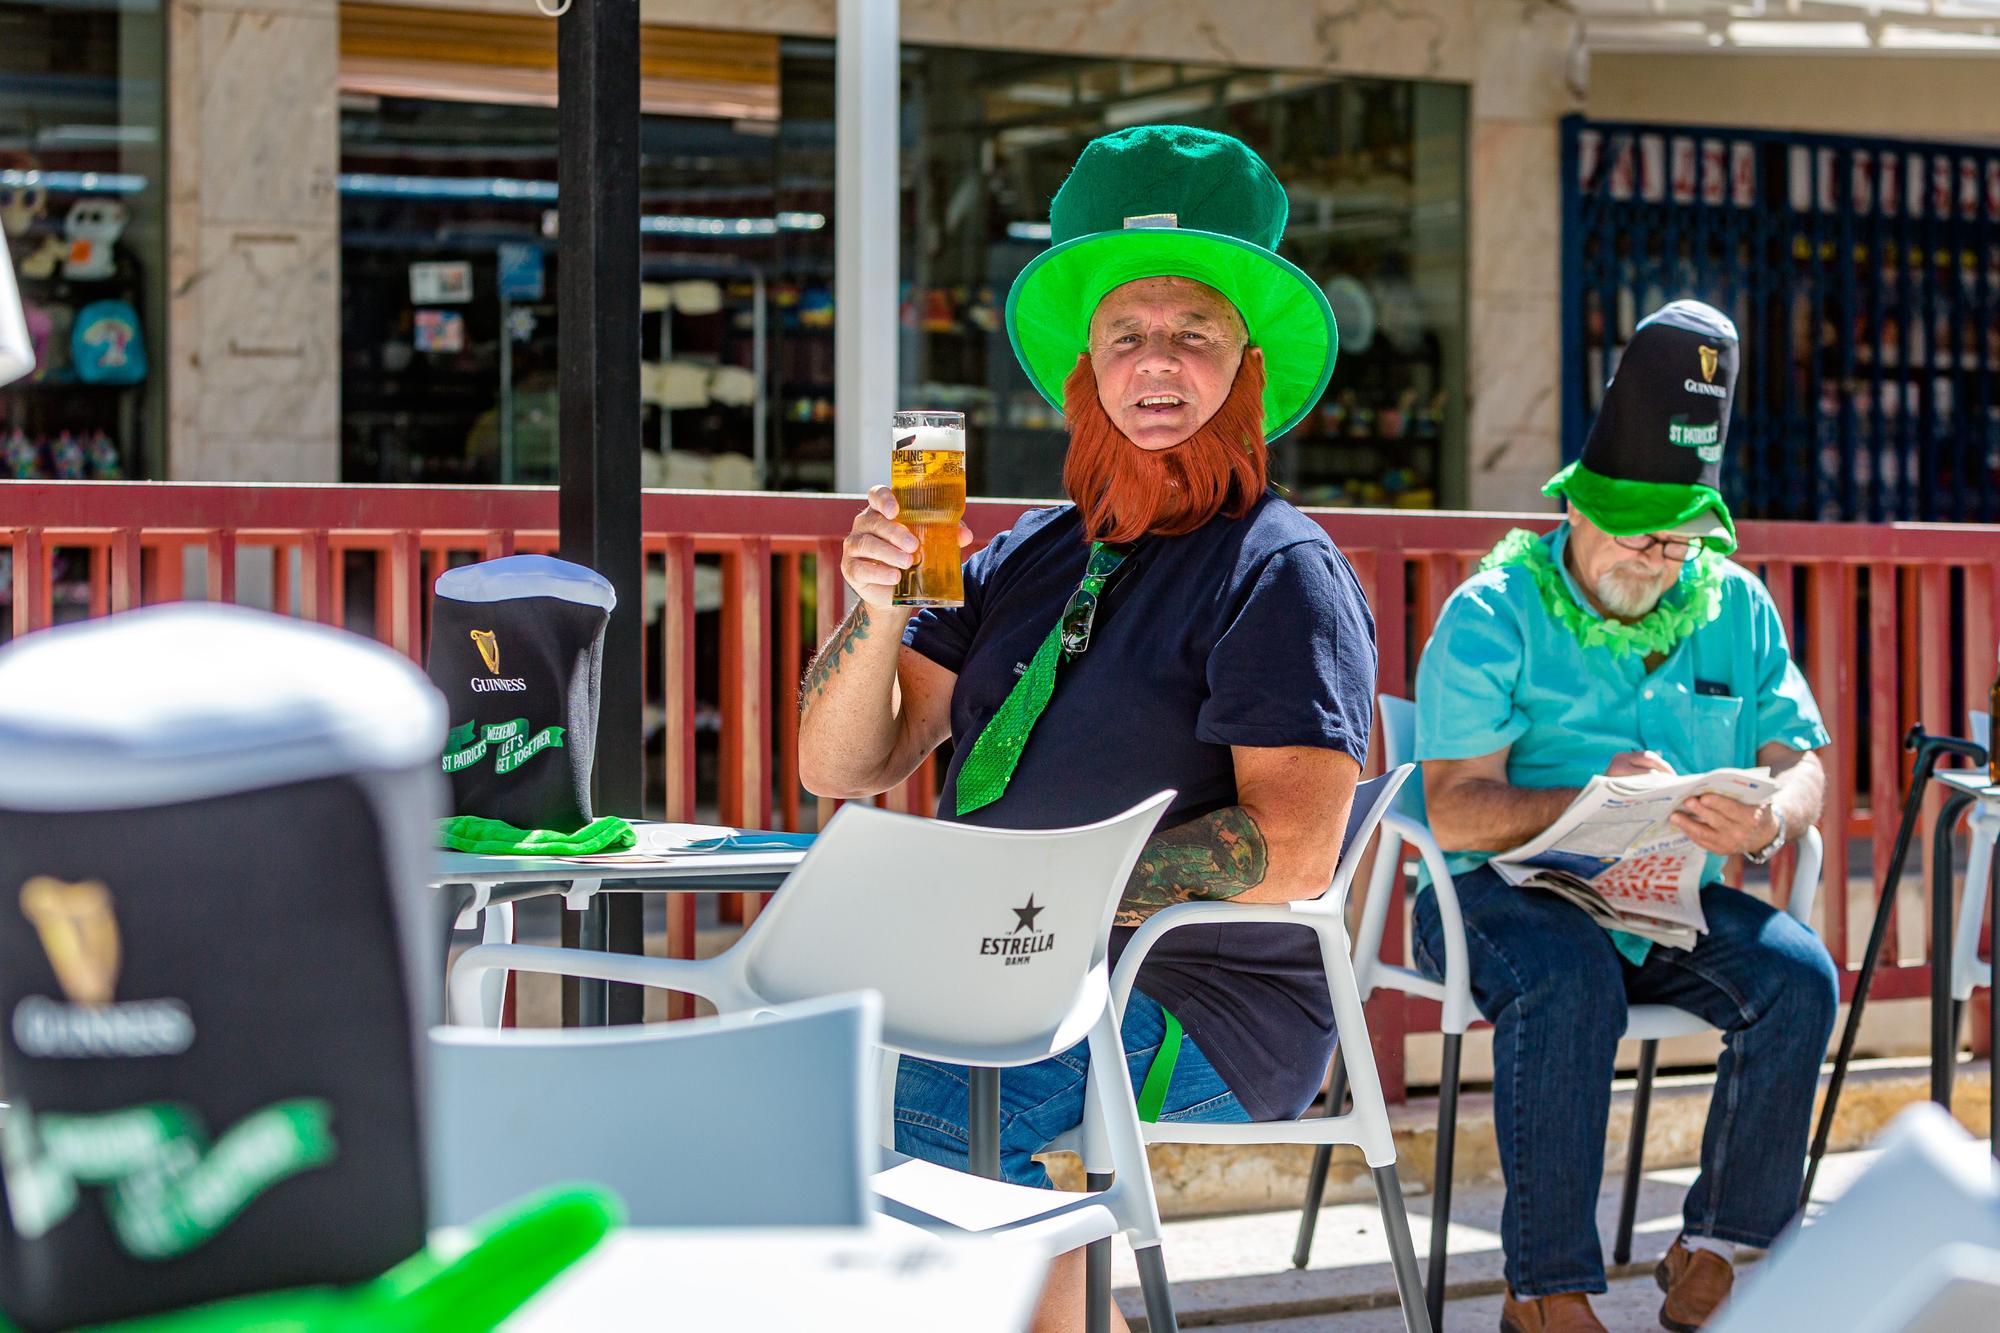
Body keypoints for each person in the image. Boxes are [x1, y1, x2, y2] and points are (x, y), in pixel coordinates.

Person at [796, 125, 1378, 1333]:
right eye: (1126, 336)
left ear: (1245, 368)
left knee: (922, 1111)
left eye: (1191, 337)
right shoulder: (1021, 553)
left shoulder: (1282, 568)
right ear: (1086, 367)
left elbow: (1295, 853)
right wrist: (873, 609)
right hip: (995, 963)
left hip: (1197, 993)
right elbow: (842, 763)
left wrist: (1042, 894)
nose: (1154, 365)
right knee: (791, 1074)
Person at [1413, 301, 1838, 1333]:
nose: (1657, 563)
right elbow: (1453, 813)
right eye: (1640, 539)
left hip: (1662, 900)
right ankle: (1544, 1291)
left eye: (1678, 545)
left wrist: (1770, 820)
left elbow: (1801, 754)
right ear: (1576, 509)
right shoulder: (1491, 609)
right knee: (1566, 979)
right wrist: (1583, 802)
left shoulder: (1729, 601)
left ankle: (1718, 1247)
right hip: (1497, 898)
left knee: (1795, 978)